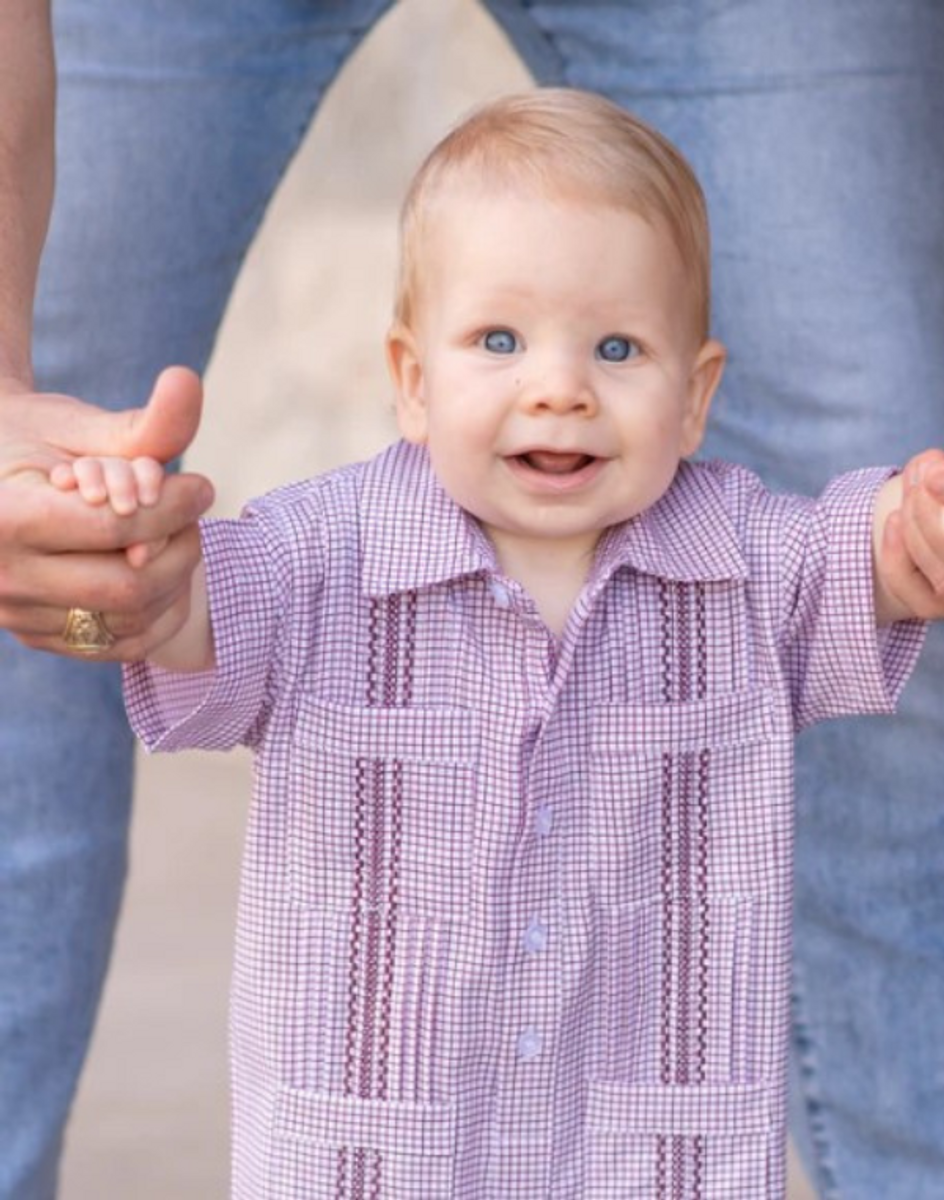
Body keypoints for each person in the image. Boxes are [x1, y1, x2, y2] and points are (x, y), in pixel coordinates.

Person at [2, 3, 942, 1198]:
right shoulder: (316, 556)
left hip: (644, 1157)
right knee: (28, 577)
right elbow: (189, 620)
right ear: (409, 378)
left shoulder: (743, 561)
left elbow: (845, 562)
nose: (557, 390)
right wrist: (130, 549)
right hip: (381, 1157)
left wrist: (910, 537)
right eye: (497, 340)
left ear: (696, 396)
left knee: (869, 398)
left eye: (615, 351)